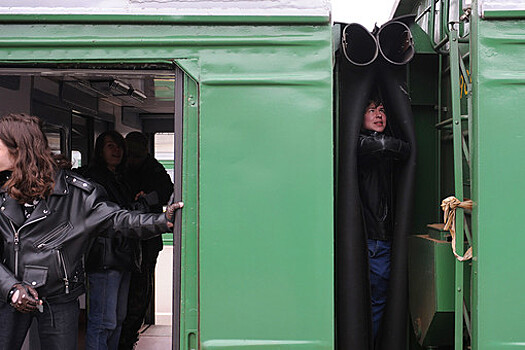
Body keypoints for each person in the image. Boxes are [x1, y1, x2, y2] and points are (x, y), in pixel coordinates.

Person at [0, 113, 183, 350]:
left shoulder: (76, 193)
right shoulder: (2, 191)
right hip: (8, 294)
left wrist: (162, 221)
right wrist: (11, 288)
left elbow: (118, 219)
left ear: (19, 149)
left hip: (59, 297)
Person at [82, 131, 144, 350]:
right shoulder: (93, 180)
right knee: (103, 321)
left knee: (118, 319)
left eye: (118, 146)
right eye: (110, 146)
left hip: (123, 256)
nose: (116, 150)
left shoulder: (122, 178)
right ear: (100, 151)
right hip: (105, 258)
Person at [357, 96, 410, 339]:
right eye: (371, 110)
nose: (378, 115)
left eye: (382, 110)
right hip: (373, 241)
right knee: (372, 301)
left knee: (377, 301)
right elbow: (385, 146)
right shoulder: (361, 144)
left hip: (379, 240)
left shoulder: (383, 147)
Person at [118, 132, 173, 349]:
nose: (133, 161)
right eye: (130, 156)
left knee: (140, 294)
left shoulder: (154, 169)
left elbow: (167, 190)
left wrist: (148, 198)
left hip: (147, 241)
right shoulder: (119, 170)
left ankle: (129, 337)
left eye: (137, 157)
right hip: (122, 241)